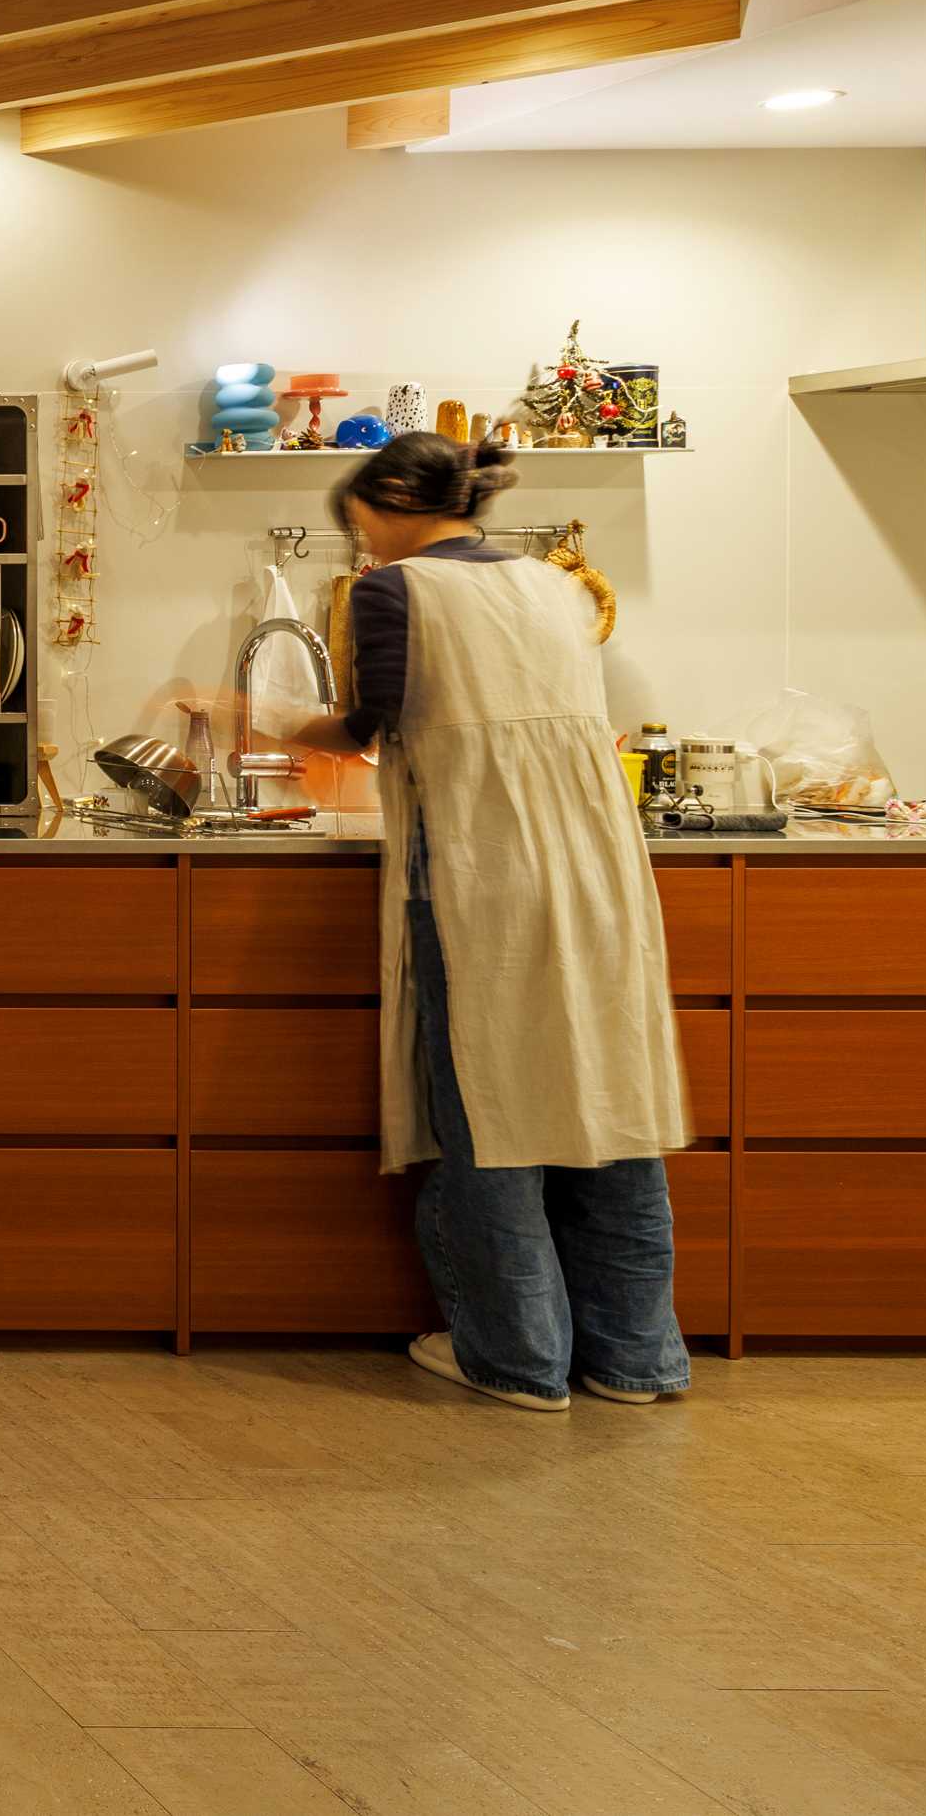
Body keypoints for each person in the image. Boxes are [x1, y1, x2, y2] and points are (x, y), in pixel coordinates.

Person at [285, 432, 693, 1411]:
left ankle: (514, 1356)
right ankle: (634, 1358)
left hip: (481, 868)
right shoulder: (554, 586)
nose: (362, 544)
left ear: (393, 501)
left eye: (360, 523)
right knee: (608, 1098)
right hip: (597, 866)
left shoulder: (396, 590)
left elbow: (365, 728)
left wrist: (255, 715)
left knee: (490, 1102)